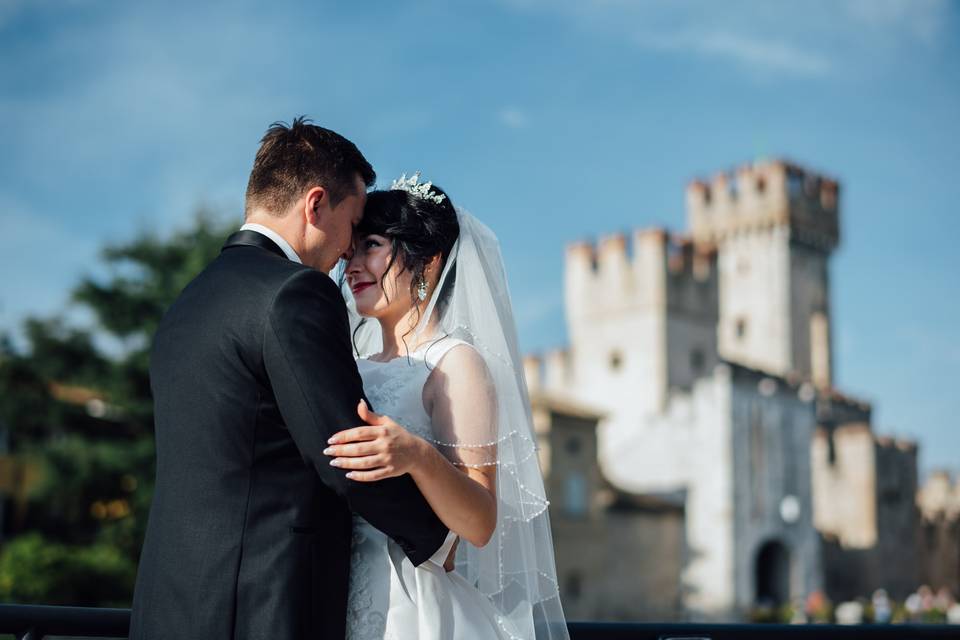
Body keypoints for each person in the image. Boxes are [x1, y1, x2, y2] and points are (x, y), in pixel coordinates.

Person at [129, 120, 449, 640]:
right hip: (259, 605)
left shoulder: (187, 303)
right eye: (353, 223)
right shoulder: (294, 293)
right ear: (316, 205)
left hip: (168, 606)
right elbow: (345, 452)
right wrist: (439, 542)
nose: (349, 250)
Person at [326, 173, 569, 639]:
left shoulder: (455, 363)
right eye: (350, 251)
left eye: (371, 246)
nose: (352, 265)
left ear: (429, 262)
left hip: (410, 605)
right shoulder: (349, 363)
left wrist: (416, 456)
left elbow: (479, 523)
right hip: (336, 588)